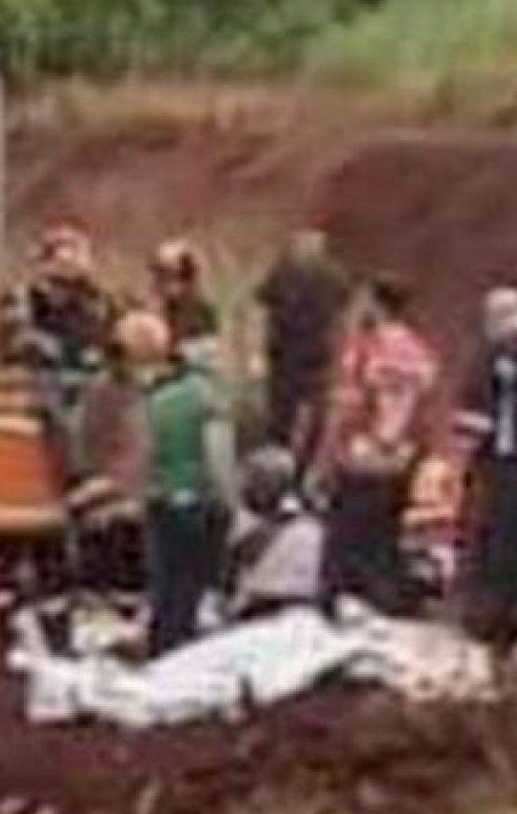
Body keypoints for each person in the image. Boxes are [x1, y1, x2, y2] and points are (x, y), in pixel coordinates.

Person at [318, 274, 440, 618]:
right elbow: (424, 411)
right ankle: (389, 607)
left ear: (376, 304)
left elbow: (347, 406)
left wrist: (327, 456)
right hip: (399, 460)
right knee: (385, 541)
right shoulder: (418, 351)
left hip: (361, 458)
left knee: (345, 544)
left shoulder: (364, 348)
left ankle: (341, 611)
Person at [0, 292, 74, 644]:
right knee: (53, 582)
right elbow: (63, 455)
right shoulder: (43, 406)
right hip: (38, 512)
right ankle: (56, 643)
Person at [143, 330, 237, 653]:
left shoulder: (158, 398)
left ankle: (159, 643)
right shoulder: (212, 399)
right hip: (195, 497)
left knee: (165, 582)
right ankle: (183, 652)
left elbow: (144, 450)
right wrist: (229, 501)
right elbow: (218, 456)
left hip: (158, 497)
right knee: (192, 583)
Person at [68, 308, 161, 599]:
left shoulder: (153, 393)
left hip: (135, 508)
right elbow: (85, 448)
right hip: (110, 508)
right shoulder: (101, 393)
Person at [256, 229, 353, 465]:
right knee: (315, 411)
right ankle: (305, 462)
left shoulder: (284, 270)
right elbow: (344, 300)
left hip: (284, 352)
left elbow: (262, 296)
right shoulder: (333, 273)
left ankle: (277, 459)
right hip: (317, 353)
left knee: (281, 412)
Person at [456, 286, 517, 646]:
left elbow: (472, 418)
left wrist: (466, 460)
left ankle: (492, 617)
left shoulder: (487, 357)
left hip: (499, 462)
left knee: (495, 538)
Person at [226, 445, 326, 620]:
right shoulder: (313, 524)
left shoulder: (303, 526)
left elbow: (235, 563)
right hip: (299, 608)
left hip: (264, 607)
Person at [27, 222, 117, 401]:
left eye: (70, 284)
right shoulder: (26, 305)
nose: (59, 290)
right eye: (55, 282)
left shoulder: (101, 309)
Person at [150, 239, 220, 368]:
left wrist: (178, 354)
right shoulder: (163, 310)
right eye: (157, 276)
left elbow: (211, 349)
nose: (156, 283)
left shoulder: (201, 309)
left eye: (164, 275)